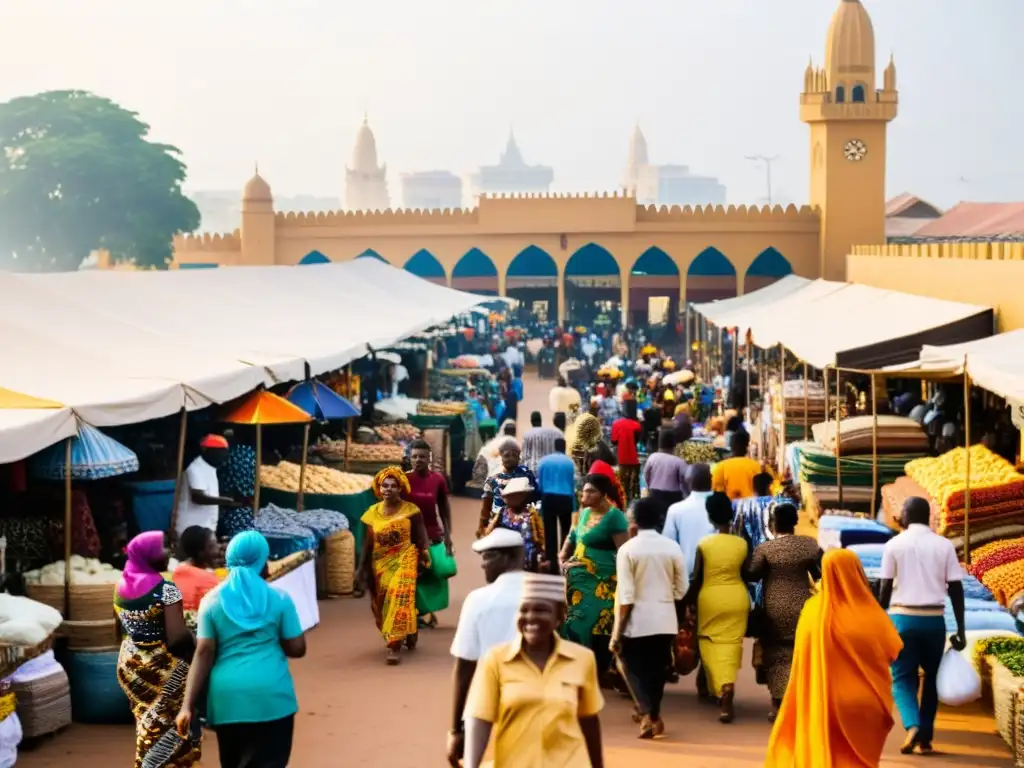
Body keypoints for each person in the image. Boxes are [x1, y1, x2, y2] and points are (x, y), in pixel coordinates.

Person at [176, 531, 306, 768]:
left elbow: (204, 653)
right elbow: (297, 648)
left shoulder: (212, 601)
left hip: (228, 701)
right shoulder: (280, 598)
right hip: (273, 697)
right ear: (262, 560)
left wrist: (187, 707)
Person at [766, 549, 903, 767]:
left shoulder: (812, 611)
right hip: (867, 703)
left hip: (824, 701)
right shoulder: (872, 613)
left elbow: (802, 662)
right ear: (858, 572)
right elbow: (893, 651)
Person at [463, 574, 605, 768]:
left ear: (560, 616)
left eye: (541, 610)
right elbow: (479, 717)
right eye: (524, 610)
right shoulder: (496, 659)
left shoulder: (582, 659)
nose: (530, 617)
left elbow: (589, 720)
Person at [879, 496, 967, 755]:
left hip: (902, 619)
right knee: (932, 679)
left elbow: (884, 589)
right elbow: (956, 588)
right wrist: (960, 628)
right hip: (934, 621)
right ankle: (926, 736)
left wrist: (879, 620)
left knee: (902, 677)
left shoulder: (893, 545)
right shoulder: (944, 545)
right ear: (927, 516)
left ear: (906, 515)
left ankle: (912, 724)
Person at [115, 531, 200, 767]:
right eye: (163, 547)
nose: (169, 551)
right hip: (161, 666)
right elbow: (176, 638)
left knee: (146, 719)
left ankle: (146, 762)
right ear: (149, 554)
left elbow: (120, 629)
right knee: (170, 722)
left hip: (130, 664)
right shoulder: (166, 589)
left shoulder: (120, 585)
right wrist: (195, 637)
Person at [447, 529, 526, 767]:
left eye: (488, 557)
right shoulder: (546, 592)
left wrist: (456, 730)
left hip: (489, 700)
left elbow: (464, 666)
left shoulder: (479, 599)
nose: (482, 565)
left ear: (510, 557)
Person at [610, 498, 687, 739]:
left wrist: (617, 633)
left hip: (636, 621)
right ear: (659, 520)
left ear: (633, 522)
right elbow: (682, 588)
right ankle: (653, 715)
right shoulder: (672, 547)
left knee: (633, 668)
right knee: (657, 670)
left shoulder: (627, 550)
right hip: (665, 618)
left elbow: (626, 596)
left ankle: (645, 713)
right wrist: (667, 598)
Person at [747, 503, 822, 720]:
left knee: (775, 654)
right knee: (799, 652)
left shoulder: (765, 549)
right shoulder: (809, 546)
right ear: (795, 522)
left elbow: (753, 574)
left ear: (774, 523)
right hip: (802, 605)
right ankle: (798, 699)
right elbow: (818, 574)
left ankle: (778, 703)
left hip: (774, 607)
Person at [684, 492, 750, 723]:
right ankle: (724, 687)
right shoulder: (742, 544)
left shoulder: (705, 544)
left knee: (709, 643)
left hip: (710, 598)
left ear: (710, 518)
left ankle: (722, 687)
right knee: (732, 644)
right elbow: (748, 574)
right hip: (737, 598)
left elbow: (697, 578)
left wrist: (686, 603)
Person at [561, 473, 630, 681]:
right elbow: (573, 535)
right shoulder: (584, 513)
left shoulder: (615, 517)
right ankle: (576, 665)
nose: (585, 495)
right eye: (584, 490)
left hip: (603, 580)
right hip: (578, 579)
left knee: (596, 622)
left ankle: (596, 667)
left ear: (603, 494)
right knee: (573, 620)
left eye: (591, 491)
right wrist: (563, 555)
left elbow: (624, 551)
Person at [358, 466, 430, 664]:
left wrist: (424, 554)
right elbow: (367, 544)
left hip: (405, 557)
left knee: (399, 596)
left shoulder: (411, 511)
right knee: (381, 605)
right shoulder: (371, 514)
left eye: (393, 486)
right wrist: (361, 569)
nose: (388, 489)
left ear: (400, 488)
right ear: (379, 489)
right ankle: (409, 628)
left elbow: (421, 534)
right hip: (379, 563)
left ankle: (394, 645)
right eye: (384, 486)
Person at [175, 434, 243, 540]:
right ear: (207, 451)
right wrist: (226, 501)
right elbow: (198, 497)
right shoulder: (195, 468)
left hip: (205, 527)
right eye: (221, 452)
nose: (224, 456)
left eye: (225, 452)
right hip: (191, 528)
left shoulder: (210, 468)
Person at [477, 438, 537, 538]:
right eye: (507, 455)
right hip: (499, 522)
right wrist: (482, 524)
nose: (511, 458)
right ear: (501, 457)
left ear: (519, 458)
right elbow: (487, 501)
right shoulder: (494, 476)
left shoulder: (526, 474)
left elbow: (535, 497)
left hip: (522, 522)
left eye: (514, 455)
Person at [483, 476, 546, 572]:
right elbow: (489, 532)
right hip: (505, 561)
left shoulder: (532, 514)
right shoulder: (502, 513)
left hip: (527, 562)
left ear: (523, 496)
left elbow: (541, 535)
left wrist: (543, 552)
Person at [662, 463, 715, 575]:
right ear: (711, 481)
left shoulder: (676, 510)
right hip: (719, 574)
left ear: (688, 483)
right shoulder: (725, 505)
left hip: (687, 575)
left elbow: (667, 546)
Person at [536, 437, 577, 574]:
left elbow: (539, 483)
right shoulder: (570, 463)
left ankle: (552, 565)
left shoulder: (544, 461)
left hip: (548, 498)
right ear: (564, 447)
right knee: (566, 531)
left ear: (554, 446)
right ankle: (565, 562)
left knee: (550, 533)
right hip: (565, 498)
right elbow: (573, 484)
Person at [711, 429, 778, 501]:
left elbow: (716, 492)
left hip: (729, 509)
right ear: (747, 446)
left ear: (731, 446)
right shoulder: (759, 467)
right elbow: (772, 488)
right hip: (752, 508)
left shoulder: (720, 467)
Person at [173, 525, 222, 615]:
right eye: (212, 546)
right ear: (201, 553)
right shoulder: (209, 581)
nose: (218, 549)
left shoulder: (177, 573)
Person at [642, 429, 689, 522]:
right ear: (674, 445)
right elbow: (685, 480)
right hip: (673, 497)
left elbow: (646, 475)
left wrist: (649, 487)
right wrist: (686, 495)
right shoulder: (679, 462)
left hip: (654, 494)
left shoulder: (652, 457)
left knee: (655, 521)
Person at [731, 471, 778, 555]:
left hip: (749, 553)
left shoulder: (740, 504)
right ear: (769, 486)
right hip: (773, 552)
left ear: (753, 487)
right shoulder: (776, 503)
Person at [610, 400, 643, 503]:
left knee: (623, 484)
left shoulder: (616, 424)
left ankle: (624, 503)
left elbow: (614, 441)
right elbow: (638, 440)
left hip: (622, 458)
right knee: (634, 484)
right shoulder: (637, 425)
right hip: (634, 459)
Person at [521, 411, 562, 475]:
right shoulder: (550, 433)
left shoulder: (527, 434)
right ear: (541, 420)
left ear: (531, 421)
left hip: (532, 470)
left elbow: (525, 456)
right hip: (547, 469)